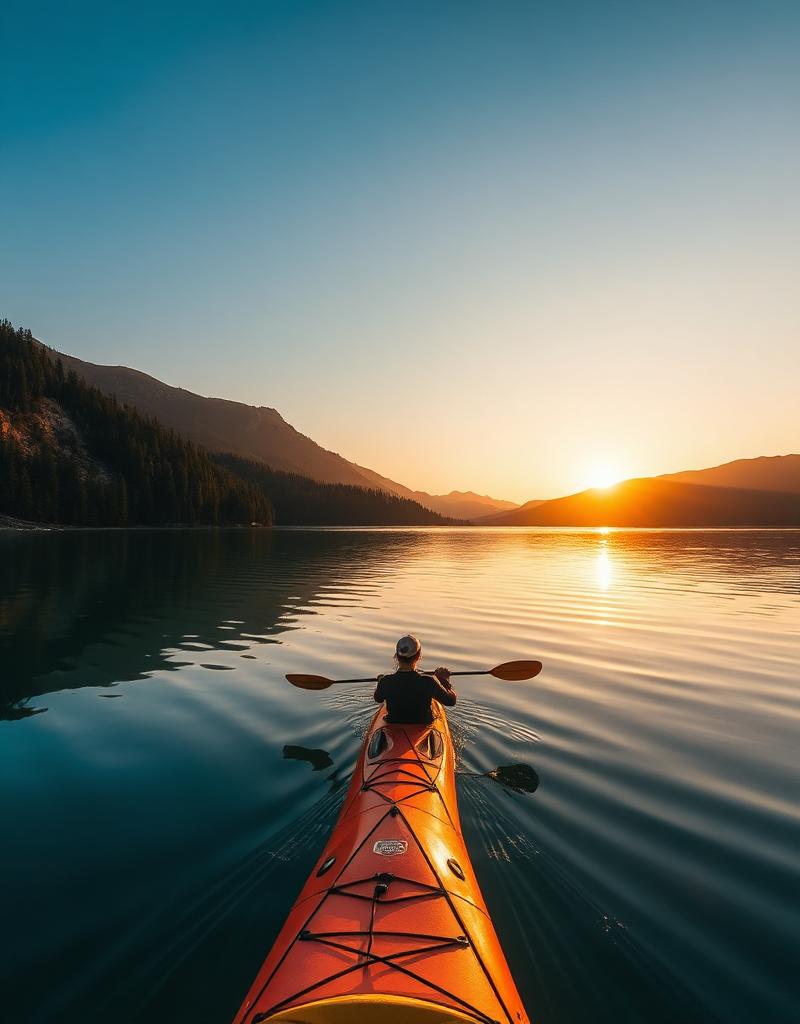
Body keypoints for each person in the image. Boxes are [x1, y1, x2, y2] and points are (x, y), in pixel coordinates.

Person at [373, 634, 456, 724]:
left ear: (396, 656)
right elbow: (451, 701)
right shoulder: (429, 681)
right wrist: (443, 680)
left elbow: (378, 699)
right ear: (418, 656)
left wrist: (381, 681)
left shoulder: (386, 681)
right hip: (423, 724)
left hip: (393, 723)